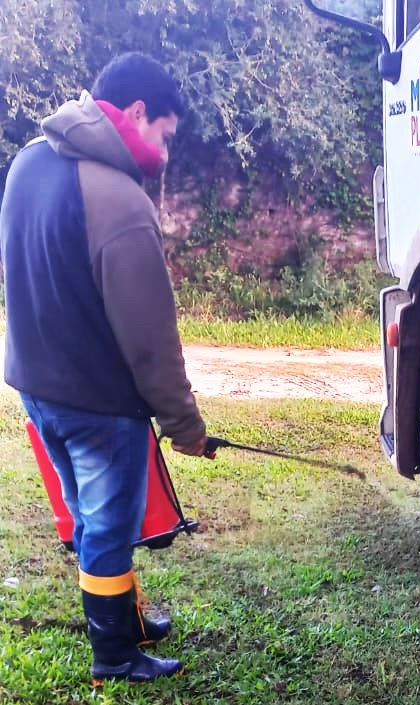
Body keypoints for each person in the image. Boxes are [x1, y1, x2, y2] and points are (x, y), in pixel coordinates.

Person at [0, 53, 207, 683]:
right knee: (109, 527)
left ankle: (127, 617)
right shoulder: (120, 202)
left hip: (38, 390)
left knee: (90, 517)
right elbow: (152, 341)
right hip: (97, 406)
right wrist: (185, 425)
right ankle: (116, 654)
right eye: (165, 137)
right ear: (137, 112)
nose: (167, 155)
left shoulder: (28, 161)